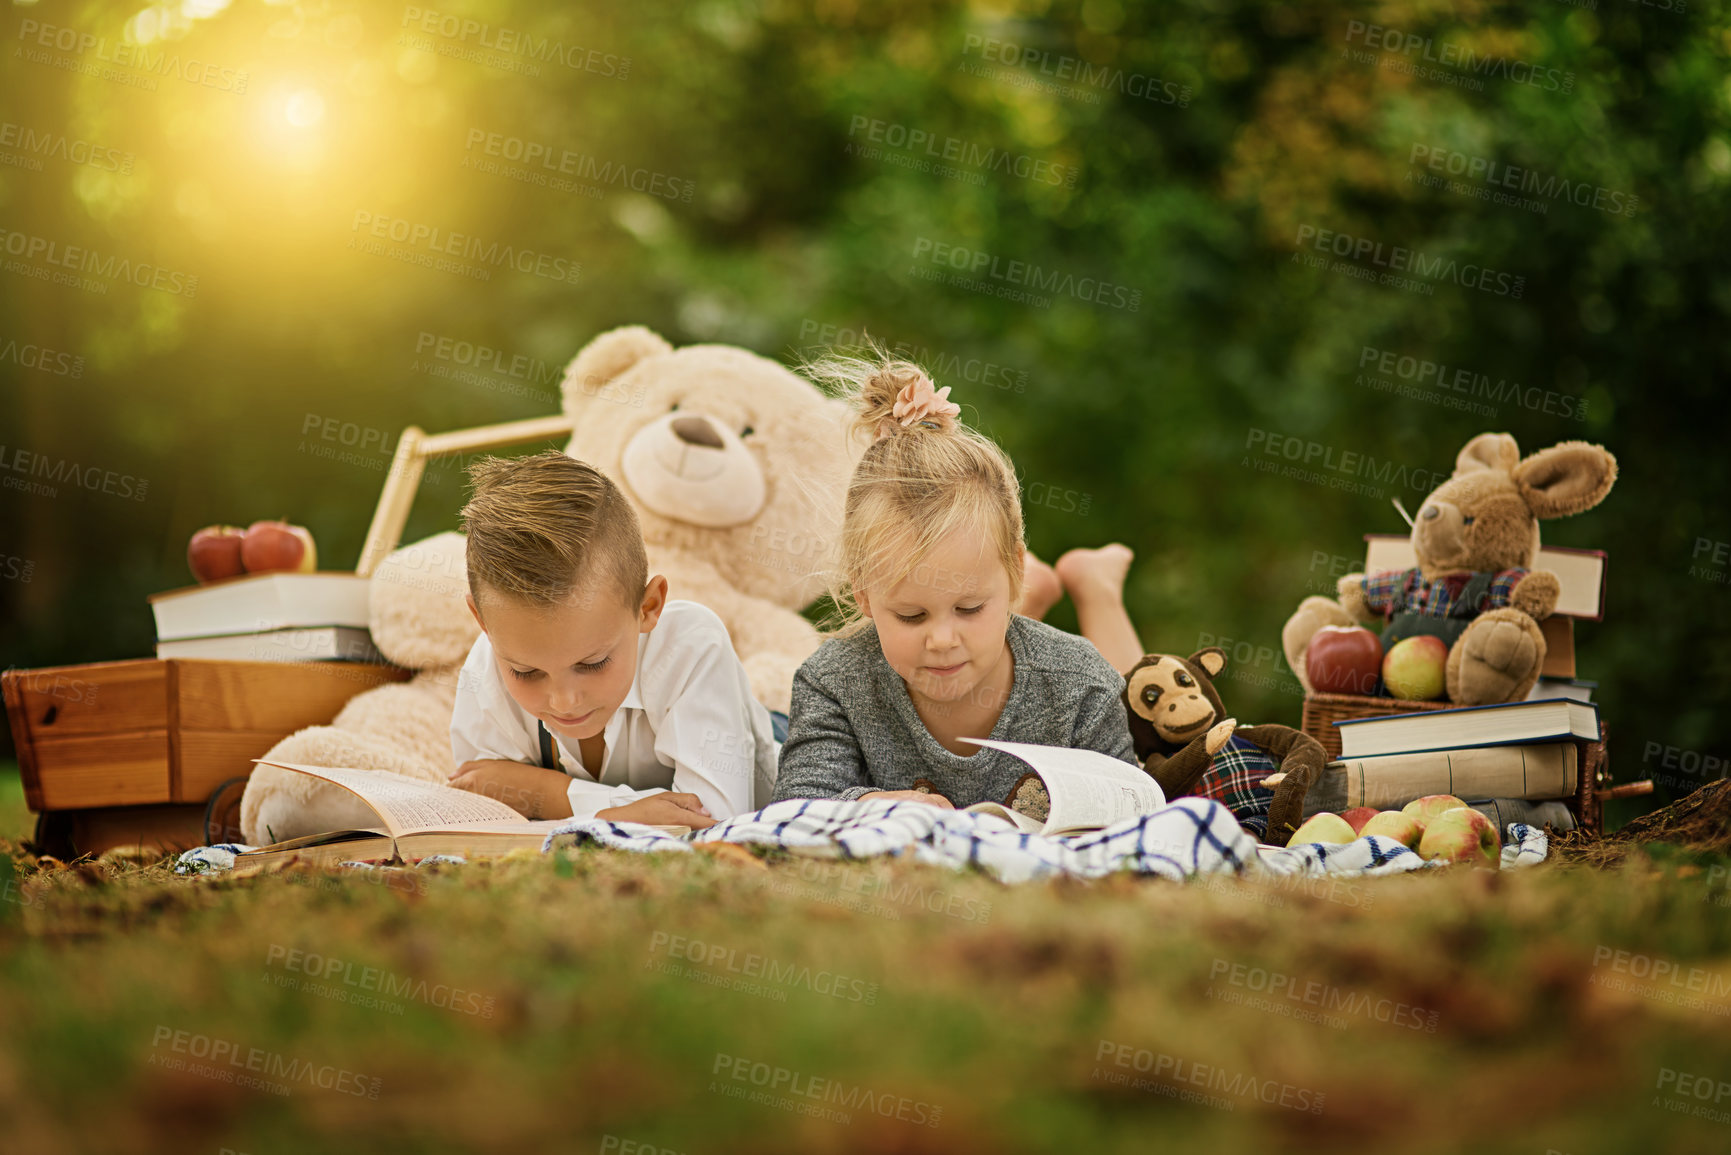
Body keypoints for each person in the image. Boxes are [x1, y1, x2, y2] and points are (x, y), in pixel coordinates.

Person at [771, 349, 1144, 809]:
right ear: (863, 595)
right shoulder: (834, 682)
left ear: (1015, 574)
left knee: (1148, 703)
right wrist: (873, 805)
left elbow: (1134, 807)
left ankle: (1097, 587)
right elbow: (796, 806)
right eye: (911, 615)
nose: (942, 639)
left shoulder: (1079, 684)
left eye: (969, 608)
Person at [447, 450, 776, 830]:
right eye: (525, 671)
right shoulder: (484, 667)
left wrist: (547, 795)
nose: (564, 701)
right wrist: (621, 812)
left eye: (593, 663)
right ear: (481, 621)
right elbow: (485, 813)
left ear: (648, 606)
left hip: (767, 739)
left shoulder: (692, 646)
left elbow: (712, 823)